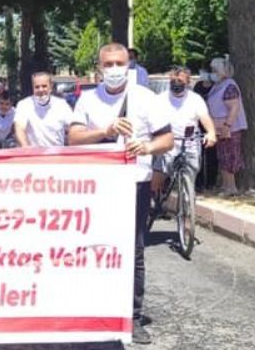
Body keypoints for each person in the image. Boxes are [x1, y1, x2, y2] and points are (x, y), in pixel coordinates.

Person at [68, 43, 173, 346]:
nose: (114, 69)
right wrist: (105, 130)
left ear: (129, 65)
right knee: (93, 248)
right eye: (108, 64)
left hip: (135, 183)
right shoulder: (88, 99)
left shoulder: (147, 98)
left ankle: (133, 317)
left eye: (119, 63)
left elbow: (166, 138)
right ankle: (93, 311)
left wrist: (147, 147)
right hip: (98, 185)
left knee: (134, 250)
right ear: (99, 67)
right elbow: (73, 138)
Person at [150, 67, 217, 199]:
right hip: (167, 143)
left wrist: (211, 133)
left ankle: (187, 204)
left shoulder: (195, 99)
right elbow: (151, 120)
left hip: (190, 143)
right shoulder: (160, 99)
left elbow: (205, 118)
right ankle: (155, 200)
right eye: (173, 80)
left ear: (188, 82)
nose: (176, 83)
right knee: (159, 175)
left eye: (180, 80)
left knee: (190, 173)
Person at [208, 57, 247, 195]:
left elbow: (234, 107)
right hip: (218, 126)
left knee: (229, 157)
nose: (212, 72)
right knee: (222, 156)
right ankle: (226, 186)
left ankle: (231, 188)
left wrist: (227, 125)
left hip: (229, 127)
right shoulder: (218, 85)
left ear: (222, 71)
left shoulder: (229, 86)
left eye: (214, 70)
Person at [13, 72, 74, 147]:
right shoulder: (24, 105)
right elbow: (19, 129)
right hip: (33, 154)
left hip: (57, 154)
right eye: (37, 87)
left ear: (51, 87)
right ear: (33, 87)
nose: (41, 90)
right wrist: (25, 147)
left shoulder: (61, 105)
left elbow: (73, 128)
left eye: (44, 86)